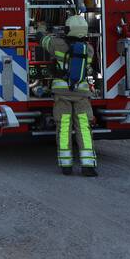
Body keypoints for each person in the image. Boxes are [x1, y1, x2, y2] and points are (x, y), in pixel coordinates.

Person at [41, 14, 98, 176]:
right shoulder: (89, 49)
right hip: (82, 94)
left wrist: (41, 29)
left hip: (62, 94)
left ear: (68, 29)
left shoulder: (57, 45)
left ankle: (66, 165)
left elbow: (42, 40)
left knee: (64, 127)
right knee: (84, 128)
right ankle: (88, 165)